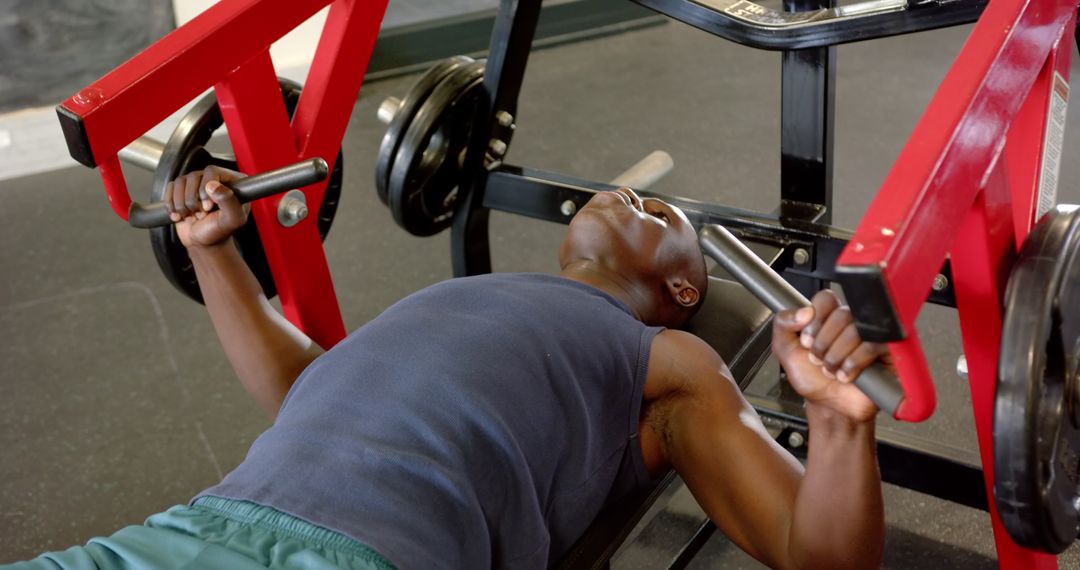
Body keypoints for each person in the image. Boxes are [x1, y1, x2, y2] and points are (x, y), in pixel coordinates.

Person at [6, 167, 887, 570]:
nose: (629, 194)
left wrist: (839, 421)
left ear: (684, 287)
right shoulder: (469, 297)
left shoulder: (664, 356)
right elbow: (305, 386)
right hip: (195, 525)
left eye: (656, 213)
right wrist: (213, 252)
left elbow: (812, 552)